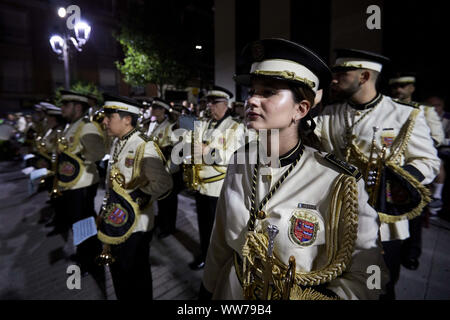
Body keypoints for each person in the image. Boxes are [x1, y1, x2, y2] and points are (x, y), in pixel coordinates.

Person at [201, 38, 386, 300]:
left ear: (300, 109)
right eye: (252, 91)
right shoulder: (239, 161)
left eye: (268, 92)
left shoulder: (336, 179)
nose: (252, 100)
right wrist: (207, 287)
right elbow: (220, 240)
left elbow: (368, 272)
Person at [314, 49, 440, 300]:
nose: (334, 79)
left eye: (342, 73)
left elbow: (429, 161)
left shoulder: (404, 114)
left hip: (383, 222)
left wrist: (397, 180)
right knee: (334, 284)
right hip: (337, 218)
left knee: (378, 288)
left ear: (364, 76)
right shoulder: (329, 114)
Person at [97, 93, 172, 300]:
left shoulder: (144, 145)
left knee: (136, 279)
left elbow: (163, 183)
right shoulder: (118, 142)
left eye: (109, 117)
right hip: (116, 219)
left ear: (127, 119)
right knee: (119, 275)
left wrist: (137, 196)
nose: (104, 121)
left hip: (136, 226)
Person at [182, 85, 246, 270]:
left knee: (217, 230)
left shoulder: (235, 127)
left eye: (214, 103)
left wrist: (207, 151)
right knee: (204, 226)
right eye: (208, 102)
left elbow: (232, 157)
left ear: (225, 104)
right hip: (201, 185)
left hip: (218, 188)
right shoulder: (205, 123)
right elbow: (189, 144)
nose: (210, 106)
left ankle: (217, 262)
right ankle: (205, 256)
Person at [389, 72, 445, 270]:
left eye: (403, 86)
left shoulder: (423, 110)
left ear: (412, 88)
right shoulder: (387, 109)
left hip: (414, 166)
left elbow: (436, 138)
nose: (399, 90)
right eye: (395, 87)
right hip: (390, 171)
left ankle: (411, 253)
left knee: (414, 212)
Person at [50, 90, 106, 278]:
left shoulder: (86, 127)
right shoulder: (71, 126)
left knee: (83, 223)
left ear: (78, 107)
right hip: (73, 184)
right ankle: (89, 253)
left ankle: (87, 260)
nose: (62, 108)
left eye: (66, 105)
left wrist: (81, 157)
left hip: (82, 184)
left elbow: (98, 152)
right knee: (82, 222)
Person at [148, 97, 182, 238]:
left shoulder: (171, 126)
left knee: (169, 199)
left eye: (156, 108)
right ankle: (162, 222)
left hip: (169, 168)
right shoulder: (153, 124)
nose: (152, 110)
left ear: (163, 110)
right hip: (157, 168)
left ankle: (169, 227)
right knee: (160, 198)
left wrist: (168, 169)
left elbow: (176, 150)